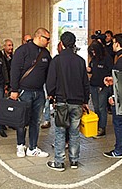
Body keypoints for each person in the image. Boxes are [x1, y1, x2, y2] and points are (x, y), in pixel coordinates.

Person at [46, 32, 90, 171]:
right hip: (77, 102)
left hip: (62, 101)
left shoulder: (57, 60)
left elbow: (51, 82)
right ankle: (74, 161)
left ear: (62, 43)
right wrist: (85, 100)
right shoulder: (80, 61)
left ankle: (59, 162)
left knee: (60, 132)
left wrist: (51, 94)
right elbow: (85, 83)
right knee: (74, 132)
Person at [10, 27, 51, 158]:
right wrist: (14, 90)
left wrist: (50, 91)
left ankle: (32, 147)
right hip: (24, 91)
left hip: (39, 92)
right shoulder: (22, 50)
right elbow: (15, 70)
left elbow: (49, 73)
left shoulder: (46, 53)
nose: (48, 42)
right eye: (47, 39)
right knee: (22, 120)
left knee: (35, 121)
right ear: (39, 37)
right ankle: (20, 145)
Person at [103, 33, 122, 158]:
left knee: (119, 123)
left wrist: (114, 97)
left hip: (121, 99)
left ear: (117, 44)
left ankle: (119, 149)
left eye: (114, 42)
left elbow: (121, 81)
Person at [87, 40, 113, 138]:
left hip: (103, 86)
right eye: (91, 52)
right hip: (93, 85)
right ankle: (97, 125)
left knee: (102, 107)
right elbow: (91, 70)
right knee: (96, 107)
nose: (93, 53)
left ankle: (102, 128)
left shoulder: (107, 59)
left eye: (94, 51)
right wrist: (88, 70)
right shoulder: (93, 59)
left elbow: (111, 71)